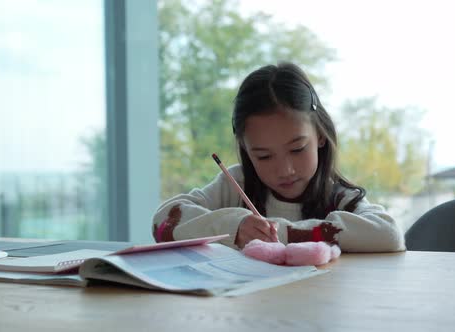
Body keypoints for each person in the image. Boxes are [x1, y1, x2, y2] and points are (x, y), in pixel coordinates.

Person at [152, 62, 405, 252]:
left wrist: (285, 234)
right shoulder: (236, 184)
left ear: (320, 136)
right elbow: (162, 223)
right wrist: (235, 227)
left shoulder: (338, 197)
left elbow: (390, 235)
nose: (284, 169)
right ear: (246, 150)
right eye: (263, 156)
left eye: (297, 149)